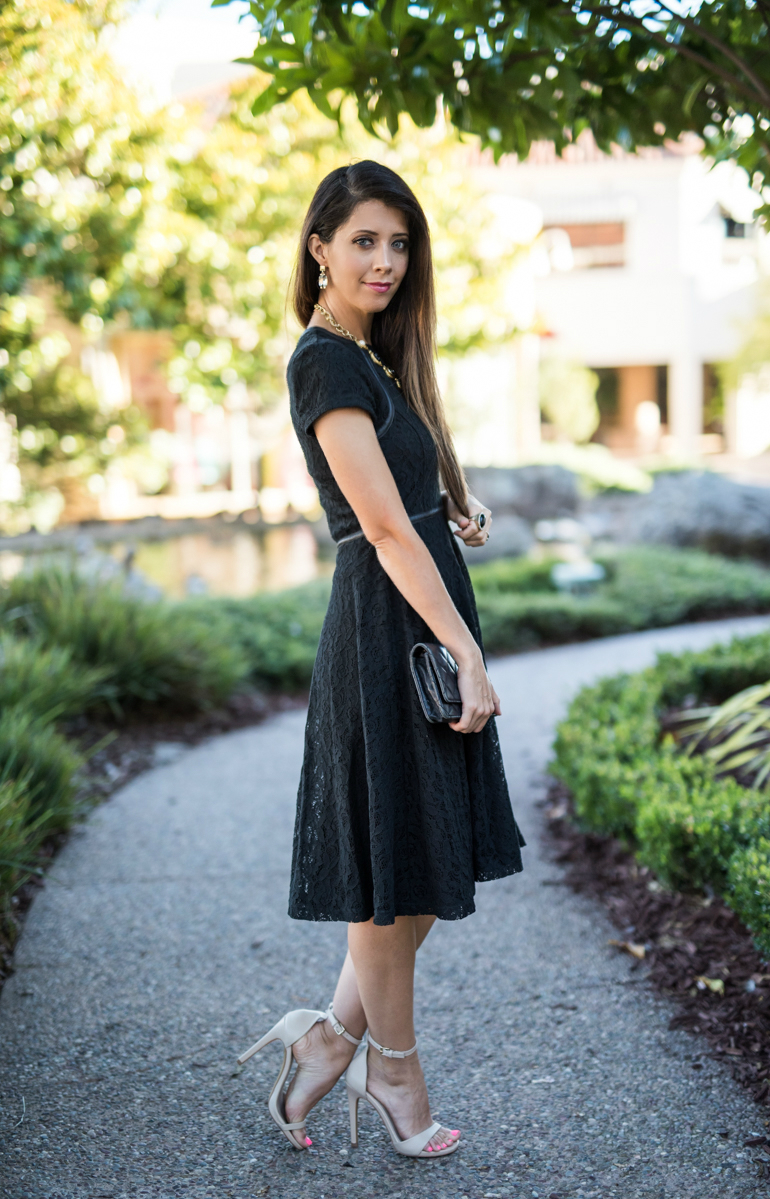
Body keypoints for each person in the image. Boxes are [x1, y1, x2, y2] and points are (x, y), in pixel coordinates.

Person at [238, 160, 524, 1160]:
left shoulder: (377, 361)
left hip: (409, 614)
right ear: (317, 244)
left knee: (411, 863)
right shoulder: (322, 361)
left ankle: (327, 1036)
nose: (385, 260)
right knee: (387, 870)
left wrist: (450, 499)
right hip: (384, 632)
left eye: (398, 243)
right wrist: (464, 649)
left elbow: (402, 501)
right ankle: (392, 1066)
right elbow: (375, 528)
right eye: (363, 239)